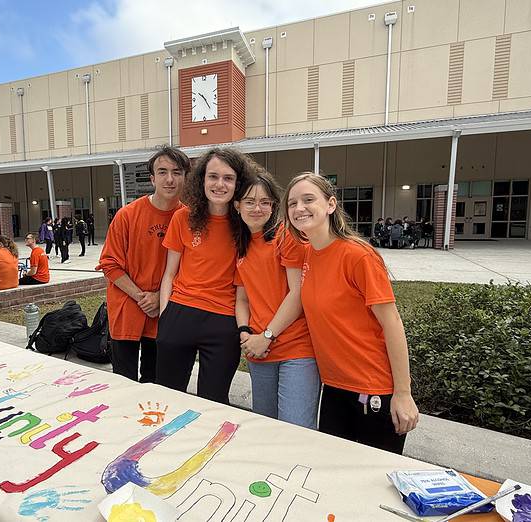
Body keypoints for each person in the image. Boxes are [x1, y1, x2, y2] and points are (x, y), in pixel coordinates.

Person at [284, 172, 419, 454]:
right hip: (333, 388)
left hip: (372, 390)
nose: (299, 208)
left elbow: (392, 323)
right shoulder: (309, 254)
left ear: (331, 205)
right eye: (292, 203)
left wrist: (403, 393)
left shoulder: (359, 255)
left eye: (309, 199)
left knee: (373, 482)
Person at [157, 147, 254, 405]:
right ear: (202, 180)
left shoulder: (246, 225)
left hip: (223, 322)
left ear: (238, 183)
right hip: (180, 313)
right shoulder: (183, 218)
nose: (219, 184)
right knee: (168, 398)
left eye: (228, 178)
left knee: (213, 402)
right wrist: (166, 316)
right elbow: (169, 274)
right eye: (213, 176)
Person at [233, 169, 320, 429]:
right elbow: (243, 299)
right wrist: (245, 332)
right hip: (259, 351)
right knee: (266, 429)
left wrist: (267, 336)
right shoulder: (242, 245)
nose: (257, 208)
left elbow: (299, 293)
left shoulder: (287, 237)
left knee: (296, 429)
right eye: (249, 201)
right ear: (237, 206)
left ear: (273, 205)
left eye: (265, 202)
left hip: (296, 349)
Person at [97, 146, 189, 383]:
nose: (169, 179)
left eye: (177, 172)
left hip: (165, 310)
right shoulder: (127, 215)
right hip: (127, 308)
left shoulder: (190, 219)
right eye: (162, 172)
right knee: (123, 382)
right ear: (152, 178)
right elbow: (110, 264)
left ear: (185, 177)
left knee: (155, 382)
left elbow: (191, 270)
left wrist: (159, 297)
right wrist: (141, 296)